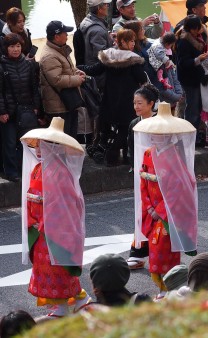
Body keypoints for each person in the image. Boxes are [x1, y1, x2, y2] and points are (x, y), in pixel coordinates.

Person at [20, 117, 91, 317]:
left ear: (54, 147)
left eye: (43, 145)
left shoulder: (61, 172)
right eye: (38, 145)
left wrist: (45, 223)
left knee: (57, 265)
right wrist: (31, 220)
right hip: (38, 226)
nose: (38, 149)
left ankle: (62, 304)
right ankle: (79, 298)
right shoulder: (36, 170)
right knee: (48, 265)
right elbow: (31, 197)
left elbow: (68, 205)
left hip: (54, 228)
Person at [132, 102, 199, 300]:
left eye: (159, 133)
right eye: (153, 133)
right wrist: (149, 206)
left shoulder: (174, 155)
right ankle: (162, 287)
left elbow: (179, 189)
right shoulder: (147, 154)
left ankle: (170, 286)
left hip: (168, 213)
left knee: (164, 247)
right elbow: (143, 180)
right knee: (154, 248)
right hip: (152, 210)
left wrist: (161, 210)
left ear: (169, 134)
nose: (154, 136)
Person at [92, 29, 147, 167]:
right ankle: (125, 157)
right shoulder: (133, 59)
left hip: (110, 99)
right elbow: (141, 77)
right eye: (131, 40)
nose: (133, 43)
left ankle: (112, 157)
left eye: (134, 40)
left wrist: (79, 69)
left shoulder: (108, 56)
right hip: (128, 100)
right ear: (123, 41)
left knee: (113, 129)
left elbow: (95, 70)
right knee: (126, 129)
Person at [0, 33, 41, 183]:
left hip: (26, 110)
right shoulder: (2, 66)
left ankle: (27, 169)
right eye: (12, 46)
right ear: (6, 48)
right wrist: (2, 111)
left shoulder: (28, 64)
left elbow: (34, 87)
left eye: (18, 46)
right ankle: (11, 171)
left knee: (27, 142)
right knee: (9, 143)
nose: (15, 49)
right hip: (9, 112)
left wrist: (36, 107)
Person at [126, 84, 159, 269]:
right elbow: (131, 150)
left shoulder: (160, 123)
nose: (136, 106)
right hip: (140, 173)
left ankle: (152, 251)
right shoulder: (133, 123)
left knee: (153, 211)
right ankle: (138, 252)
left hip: (157, 174)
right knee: (141, 211)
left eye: (140, 103)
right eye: (134, 103)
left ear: (151, 104)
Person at [39, 21, 86, 138]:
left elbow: (67, 68)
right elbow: (56, 79)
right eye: (65, 33)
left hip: (67, 103)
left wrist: (76, 72)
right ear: (57, 36)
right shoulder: (49, 56)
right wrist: (77, 79)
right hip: (58, 107)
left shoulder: (60, 49)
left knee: (70, 138)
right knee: (62, 141)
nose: (67, 35)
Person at [176, 15, 208, 146]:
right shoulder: (184, 41)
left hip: (197, 77)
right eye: (197, 28)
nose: (200, 30)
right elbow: (183, 62)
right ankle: (188, 138)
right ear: (192, 29)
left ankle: (194, 135)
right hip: (189, 79)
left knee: (197, 107)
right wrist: (198, 59)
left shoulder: (198, 38)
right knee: (192, 109)